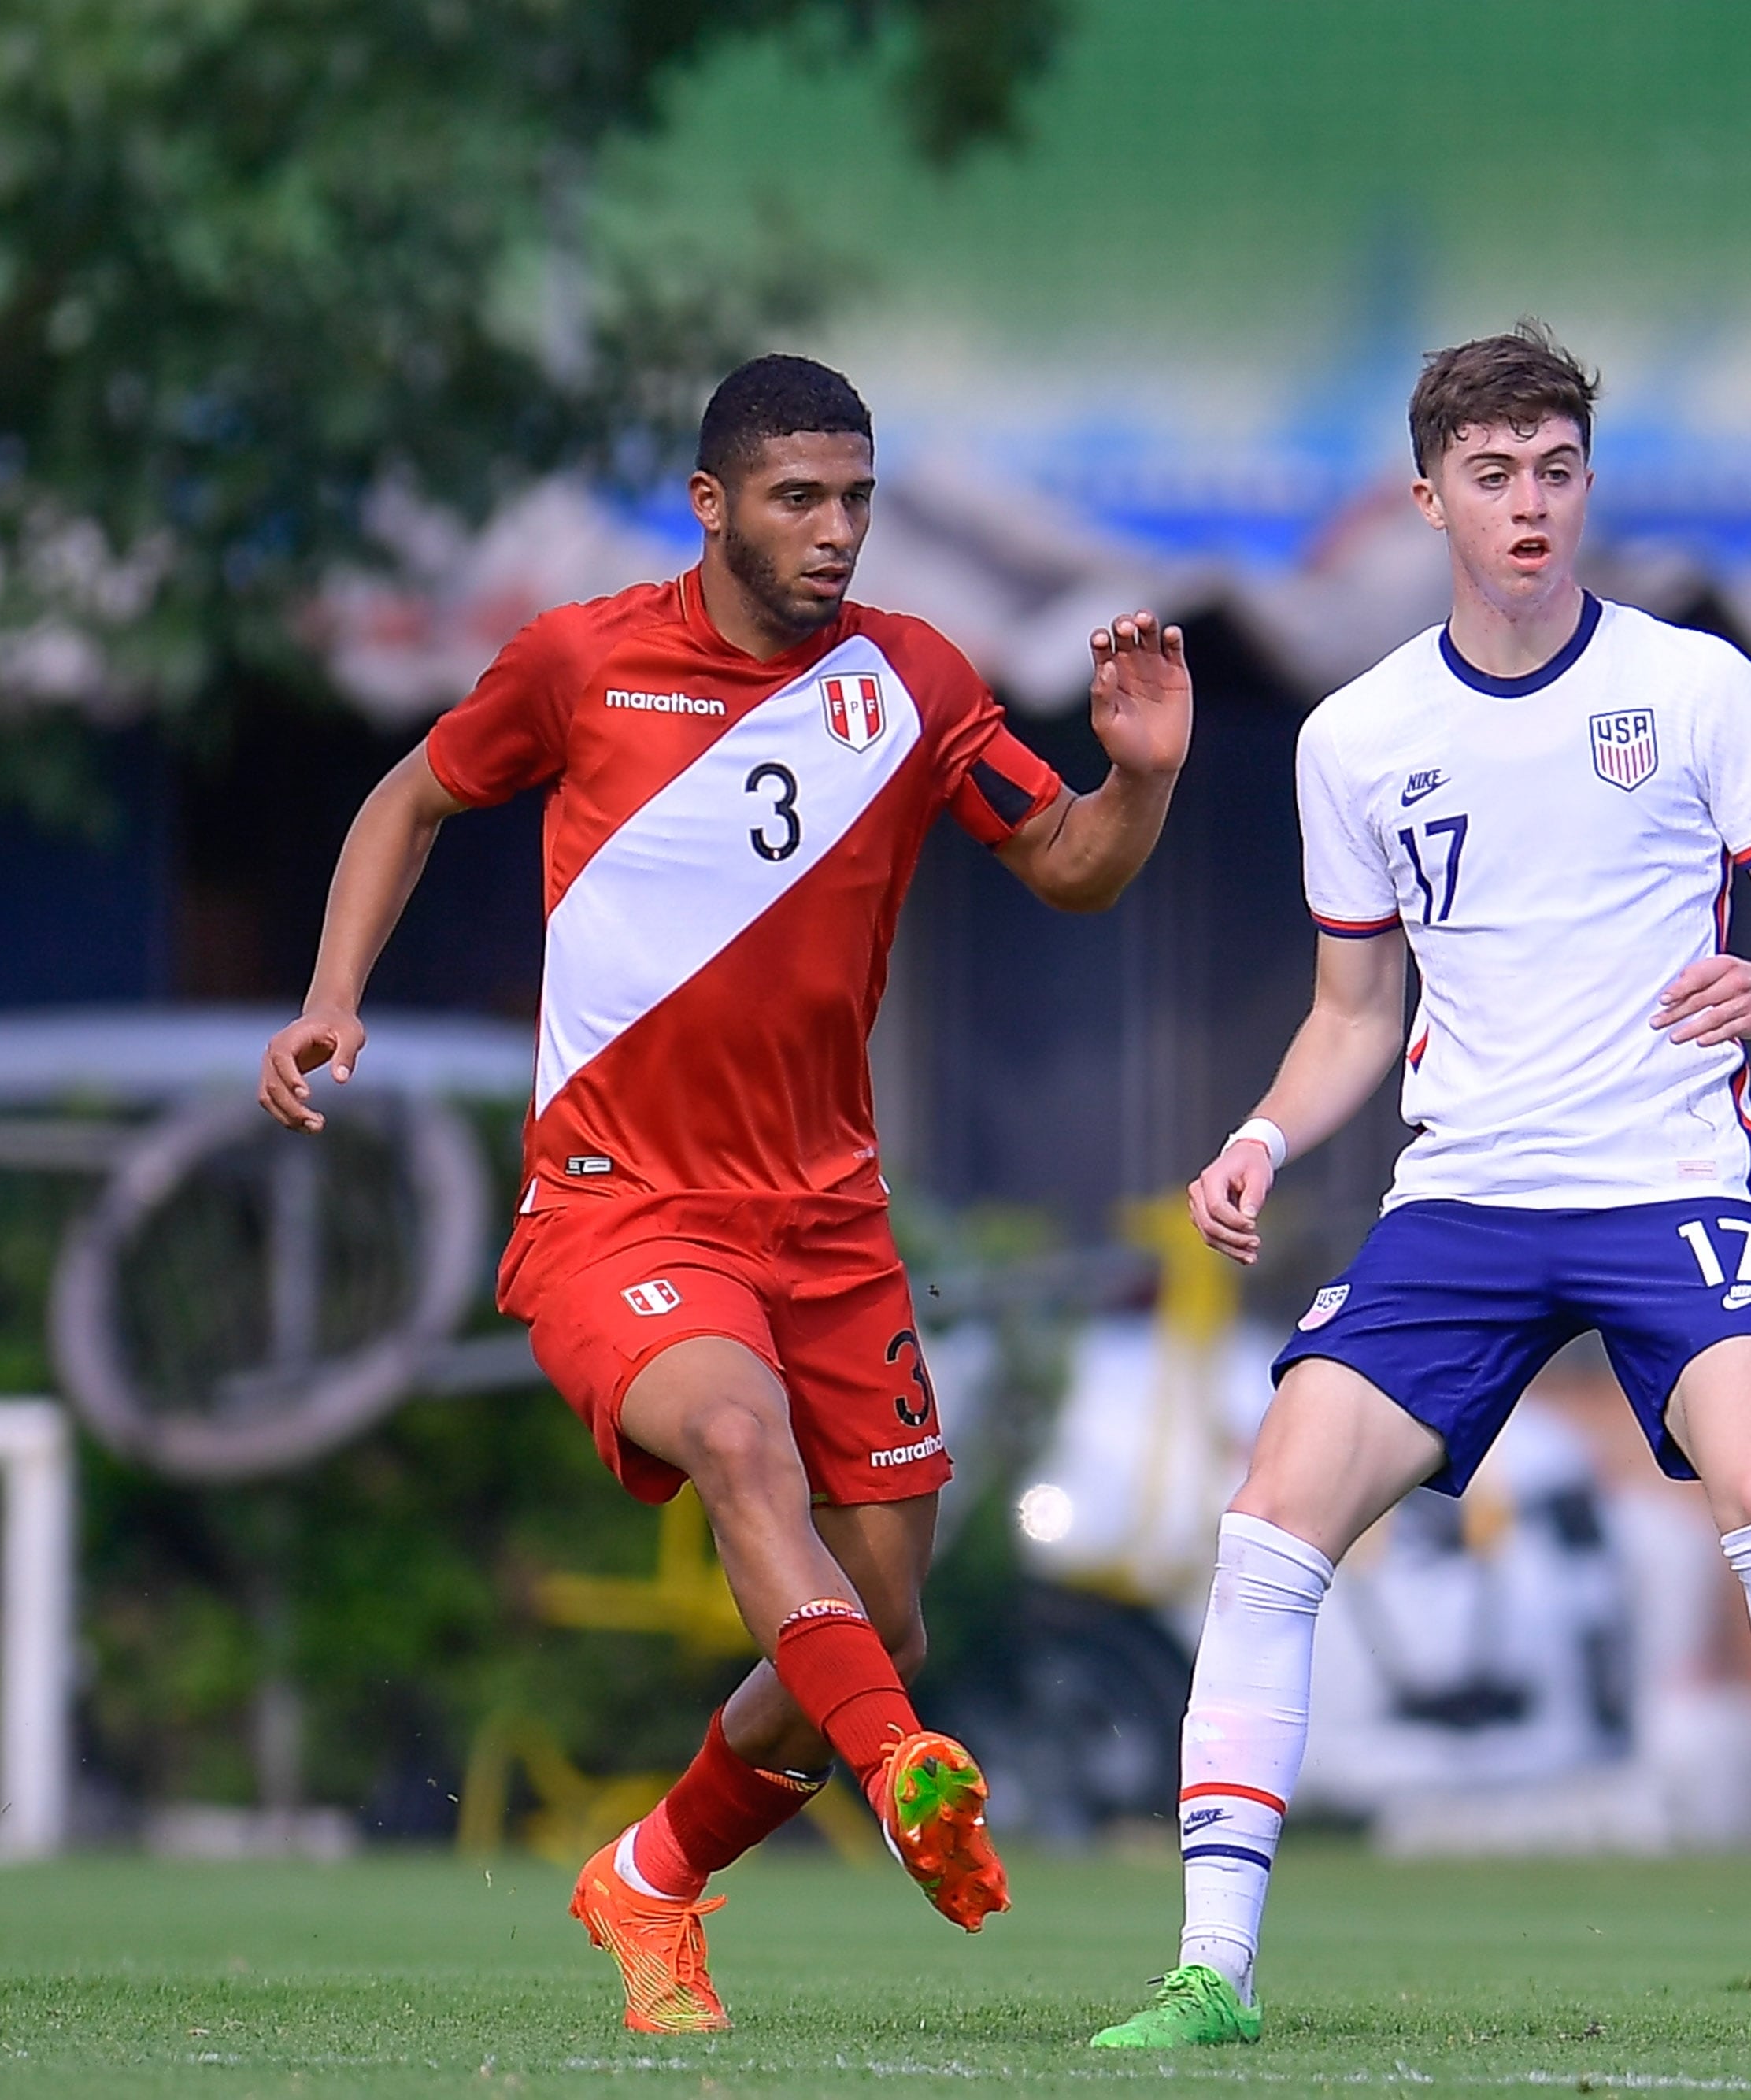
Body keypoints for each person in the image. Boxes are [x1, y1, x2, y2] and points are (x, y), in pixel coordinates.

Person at [257, 354, 1192, 2033]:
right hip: (619, 1208)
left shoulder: (910, 681)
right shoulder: (583, 662)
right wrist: (335, 988)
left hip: (825, 1221)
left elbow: (1065, 867)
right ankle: (902, 1761)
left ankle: (651, 1875)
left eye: (856, 501)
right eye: (798, 500)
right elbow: (408, 797)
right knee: (745, 1449)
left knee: (873, 1608)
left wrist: (1140, 780)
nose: (836, 534)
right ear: (711, 506)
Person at [1089, 323, 1751, 2054]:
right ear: (1428, 496)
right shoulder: (1354, 737)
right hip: (1463, 1202)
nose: (1528, 507)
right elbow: (1355, 1013)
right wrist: (1263, 1135)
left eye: (1555, 471)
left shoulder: (1694, 688)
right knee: (1270, 1523)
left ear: (1585, 486)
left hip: (1668, 1186)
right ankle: (1210, 1968)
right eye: (1490, 475)